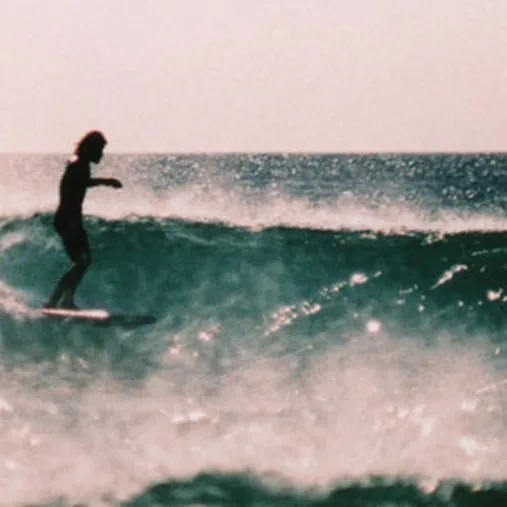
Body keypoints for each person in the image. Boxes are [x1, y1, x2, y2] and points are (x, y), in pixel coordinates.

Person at [45, 130, 122, 309]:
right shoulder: (79, 163)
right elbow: (78, 182)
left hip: (70, 219)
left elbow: (79, 181)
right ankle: (54, 302)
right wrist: (106, 181)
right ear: (91, 148)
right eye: (100, 149)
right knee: (82, 262)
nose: (101, 155)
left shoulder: (78, 162)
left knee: (82, 262)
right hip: (68, 219)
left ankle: (66, 300)